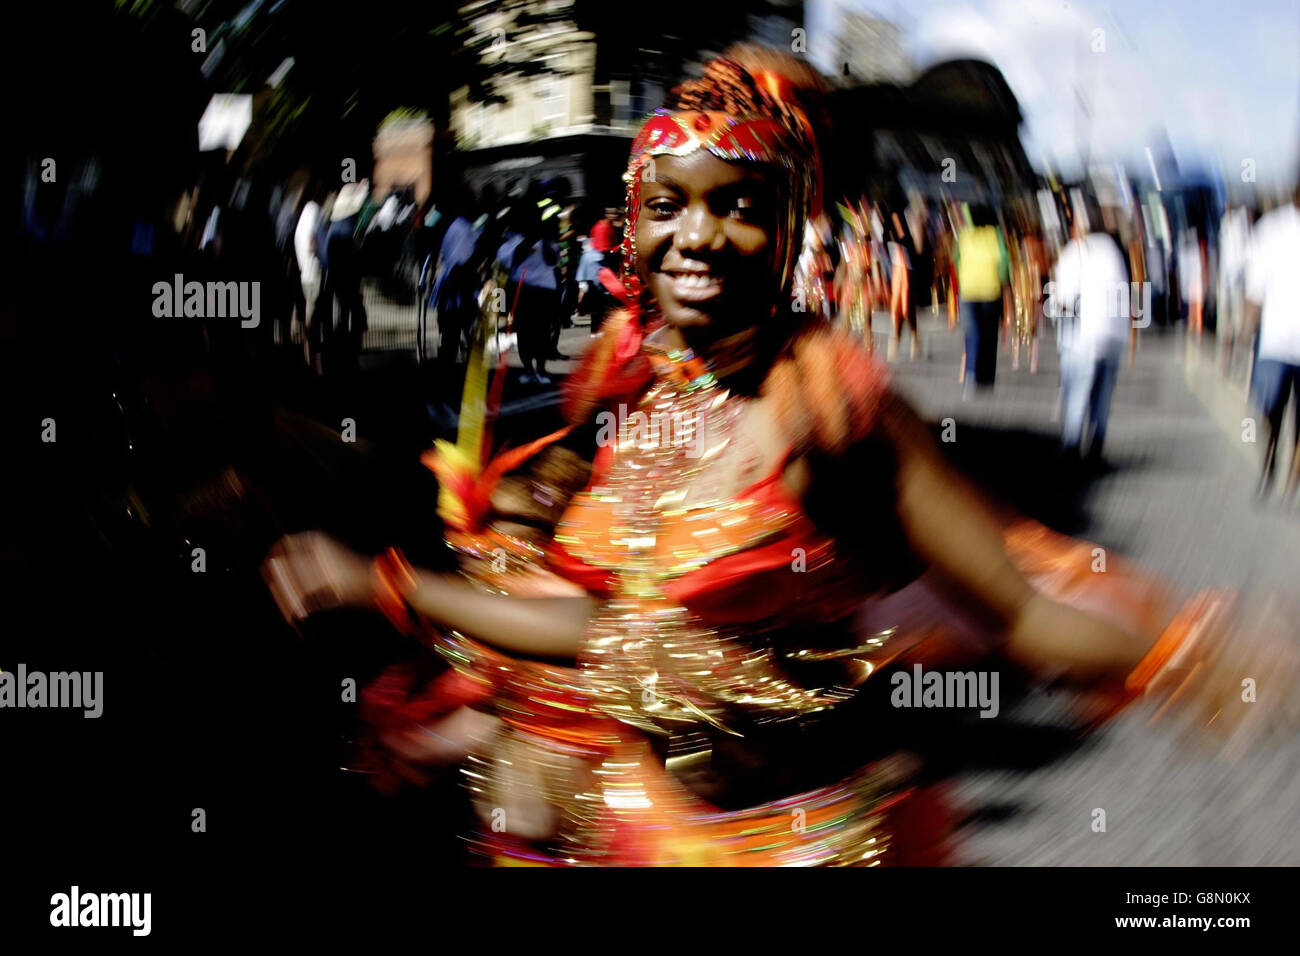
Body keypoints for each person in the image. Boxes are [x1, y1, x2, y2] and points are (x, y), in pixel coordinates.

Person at [263, 47, 1291, 867]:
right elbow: (593, 622)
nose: (696, 236)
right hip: (638, 833)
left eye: (737, 205)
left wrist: (1185, 657)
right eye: (667, 206)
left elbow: (1015, 602)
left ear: (787, 227)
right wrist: (387, 584)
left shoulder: (826, 404)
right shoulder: (650, 397)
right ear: (633, 226)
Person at [1050, 202, 1131, 462]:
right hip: (1115, 335)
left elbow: (1064, 297)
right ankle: (1096, 444)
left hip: (1085, 336)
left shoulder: (1077, 251)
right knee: (1103, 394)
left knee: (1077, 391)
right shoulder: (1115, 251)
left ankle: (1072, 444)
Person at [1241, 183, 1300, 499]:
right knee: (1270, 407)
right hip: (1276, 338)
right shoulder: (1272, 228)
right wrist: (1247, 325)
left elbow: (1254, 286)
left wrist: (1244, 328)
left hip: (1277, 340)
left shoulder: (1269, 228)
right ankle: (1273, 453)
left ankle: (1292, 467)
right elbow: (1256, 284)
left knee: (1281, 409)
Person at [954, 205, 1009, 394]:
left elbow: (957, 259)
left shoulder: (964, 236)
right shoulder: (996, 235)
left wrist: (963, 277)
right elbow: (1004, 261)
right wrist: (1003, 281)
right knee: (990, 335)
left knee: (972, 334)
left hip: (968, 291)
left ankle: (971, 374)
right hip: (990, 291)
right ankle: (987, 378)